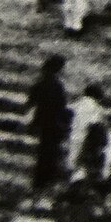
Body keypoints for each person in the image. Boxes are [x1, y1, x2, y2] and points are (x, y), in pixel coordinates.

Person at [26, 54, 70, 190]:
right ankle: (45, 181)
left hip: (43, 123)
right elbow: (62, 107)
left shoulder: (40, 84)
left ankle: (40, 181)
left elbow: (30, 103)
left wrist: (34, 122)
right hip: (54, 124)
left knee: (44, 153)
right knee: (50, 154)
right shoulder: (57, 86)